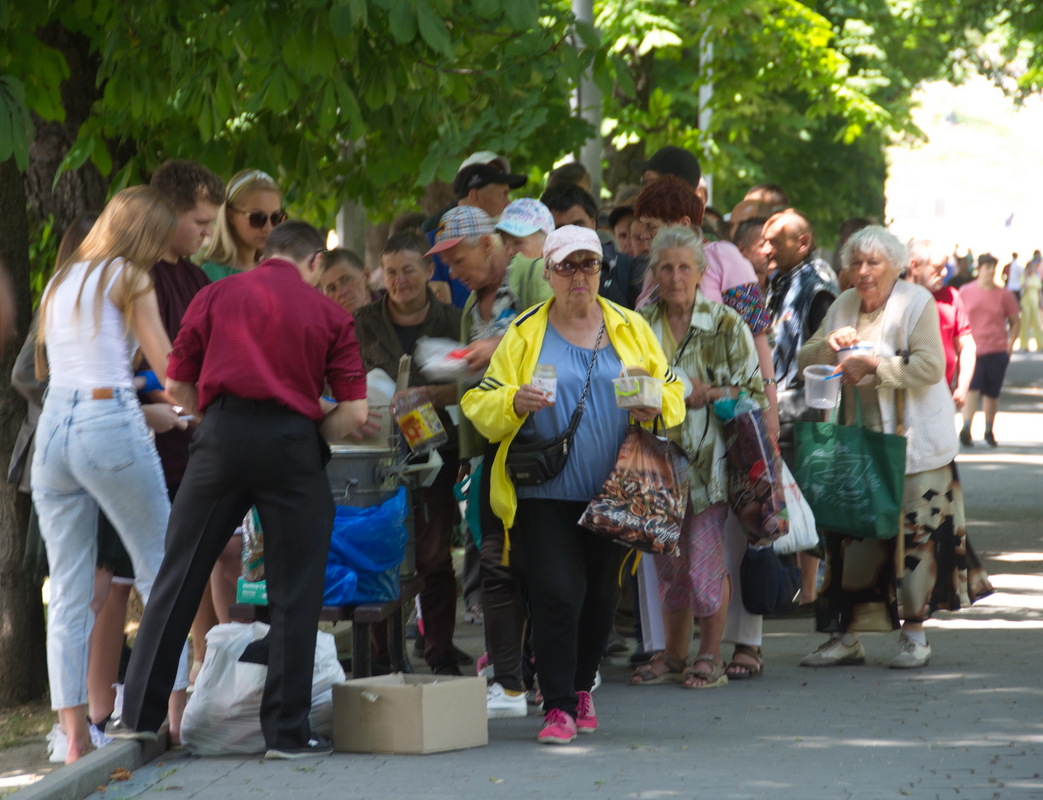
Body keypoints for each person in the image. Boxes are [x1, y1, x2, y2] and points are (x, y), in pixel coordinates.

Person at [112, 221, 368, 759]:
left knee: (178, 576)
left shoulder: (213, 294)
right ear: (315, 261)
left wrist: (218, 423)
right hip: (293, 445)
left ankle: (137, 719)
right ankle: (286, 735)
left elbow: (179, 385)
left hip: (221, 439)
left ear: (265, 254)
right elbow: (355, 413)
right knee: (295, 592)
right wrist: (305, 438)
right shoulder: (331, 314)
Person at [461, 225, 685, 745]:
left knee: (600, 597)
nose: (579, 276)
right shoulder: (523, 332)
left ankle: (582, 688)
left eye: (588, 265)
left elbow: (675, 388)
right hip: (542, 490)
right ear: (548, 273)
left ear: (601, 272)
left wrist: (659, 402)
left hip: (617, 488)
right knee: (557, 592)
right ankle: (557, 706)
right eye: (567, 266)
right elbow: (479, 402)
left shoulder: (630, 326)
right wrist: (513, 401)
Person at [31, 186, 189, 763]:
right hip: (107, 420)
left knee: (70, 590)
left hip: (55, 430)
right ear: (146, 234)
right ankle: (175, 715)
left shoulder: (63, 279)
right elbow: (170, 370)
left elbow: (56, 362)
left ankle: (74, 737)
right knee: (163, 569)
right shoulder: (130, 276)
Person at [797, 226, 993, 669]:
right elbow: (805, 358)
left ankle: (915, 636)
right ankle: (846, 636)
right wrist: (830, 347)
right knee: (851, 537)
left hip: (915, 444)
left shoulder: (915, 302)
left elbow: (929, 365)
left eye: (874, 263)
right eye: (857, 263)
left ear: (896, 266)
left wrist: (875, 366)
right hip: (857, 441)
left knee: (916, 539)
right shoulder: (843, 304)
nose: (863, 272)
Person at [428, 205, 552, 717]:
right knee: (499, 568)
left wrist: (493, 348)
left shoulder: (529, 273)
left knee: (544, 565)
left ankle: (556, 674)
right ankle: (511, 678)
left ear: (487, 245)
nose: (454, 273)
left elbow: (555, 333)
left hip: (543, 444)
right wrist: (465, 453)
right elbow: (472, 387)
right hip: (490, 453)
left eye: (459, 261)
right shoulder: (466, 310)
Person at [632, 227, 766, 688]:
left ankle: (709, 655)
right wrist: (635, 397)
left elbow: (752, 393)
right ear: (654, 272)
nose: (674, 277)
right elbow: (618, 383)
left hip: (709, 464)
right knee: (668, 567)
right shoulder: (638, 324)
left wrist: (709, 392)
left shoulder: (726, 323)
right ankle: (672, 656)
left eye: (684, 267)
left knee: (704, 564)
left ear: (700, 272)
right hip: (652, 465)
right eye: (665, 268)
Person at [354, 231, 465, 674]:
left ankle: (439, 652)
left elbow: (480, 384)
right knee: (381, 549)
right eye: (392, 272)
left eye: (409, 270)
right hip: (375, 452)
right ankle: (382, 657)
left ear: (429, 270)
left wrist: (435, 395)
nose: (399, 281)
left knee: (435, 552)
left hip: (439, 449)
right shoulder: (361, 323)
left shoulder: (456, 322)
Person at [763, 208, 839, 607]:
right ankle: (799, 587)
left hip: (804, 408)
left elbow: (827, 348)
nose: (766, 248)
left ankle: (809, 591)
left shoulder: (817, 285)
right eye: (764, 240)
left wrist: (824, 414)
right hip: (781, 404)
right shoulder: (782, 281)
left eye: (775, 241)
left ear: (802, 243)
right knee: (789, 496)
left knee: (806, 497)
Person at [541, 183, 641, 308]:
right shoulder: (531, 278)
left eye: (578, 225)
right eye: (561, 229)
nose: (571, 235)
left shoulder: (628, 268)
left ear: (593, 224)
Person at [958, 254, 1020, 447]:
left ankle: (988, 429)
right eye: (987, 267)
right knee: (972, 388)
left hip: (996, 349)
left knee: (992, 392)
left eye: (993, 267)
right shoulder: (965, 291)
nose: (991, 271)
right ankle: (966, 427)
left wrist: (1010, 347)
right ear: (979, 269)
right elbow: (958, 319)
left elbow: (1016, 321)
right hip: (973, 349)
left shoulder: (1003, 294)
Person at [906, 239, 976, 408]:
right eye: (937, 267)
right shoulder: (895, 297)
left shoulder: (952, 297)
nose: (945, 273)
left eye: (945, 266)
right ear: (915, 267)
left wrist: (963, 386)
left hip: (941, 398)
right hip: (902, 395)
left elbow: (966, 345)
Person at [199, 169, 285, 281]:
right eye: (258, 218)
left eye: (275, 218)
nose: (268, 228)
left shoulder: (274, 271)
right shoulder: (212, 273)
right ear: (231, 216)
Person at [320, 248, 373, 314]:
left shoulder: (388, 306)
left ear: (366, 276)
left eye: (346, 280)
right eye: (332, 289)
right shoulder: (325, 322)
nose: (341, 292)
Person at [1017, 257, 1042, 352]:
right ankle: (1024, 345)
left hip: (1035, 301)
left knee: (1037, 323)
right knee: (1025, 323)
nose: (1033, 269)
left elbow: (1039, 291)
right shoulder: (1024, 277)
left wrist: (1041, 302)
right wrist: (1026, 276)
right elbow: (1023, 287)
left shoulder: (1036, 277)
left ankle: (1040, 344)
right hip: (1026, 301)